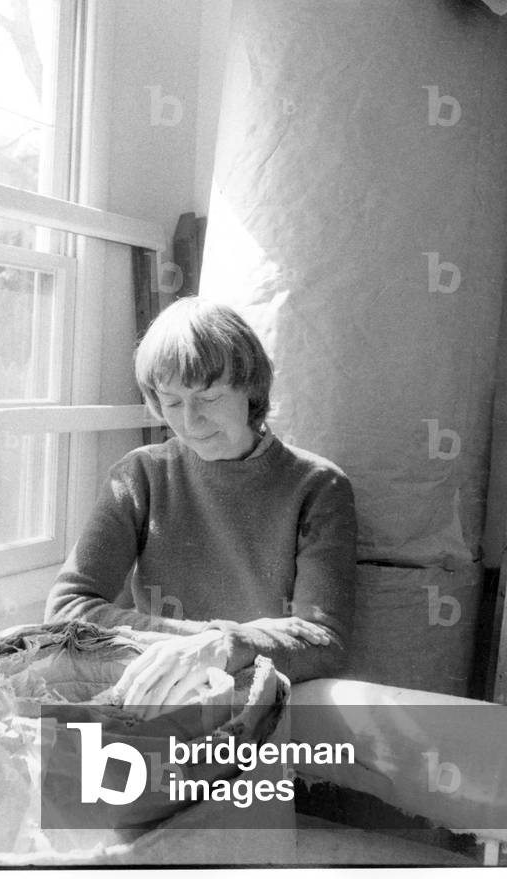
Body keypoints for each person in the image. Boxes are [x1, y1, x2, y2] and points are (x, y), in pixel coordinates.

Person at [45, 297, 356, 715]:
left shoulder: (318, 486)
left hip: (261, 712)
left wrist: (224, 646)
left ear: (251, 388)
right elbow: (66, 611)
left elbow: (323, 641)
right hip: (158, 700)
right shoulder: (140, 475)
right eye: (172, 402)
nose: (190, 422)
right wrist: (214, 642)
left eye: (208, 397)